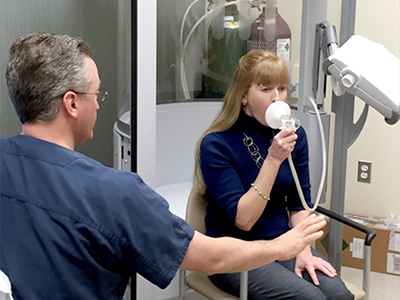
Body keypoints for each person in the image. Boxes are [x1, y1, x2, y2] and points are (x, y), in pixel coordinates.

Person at [0, 33, 327, 300]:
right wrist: (281, 246)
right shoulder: (114, 193)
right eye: (96, 94)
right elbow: (210, 257)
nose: (99, 104)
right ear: (72, 103)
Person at [194, 49, 354, 299]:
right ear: (244, 95)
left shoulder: (294, 138)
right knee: (309, 298)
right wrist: (273, 159)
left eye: (281, 88)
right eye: (266, 89)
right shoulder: (216, 145)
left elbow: (299, 204)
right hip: (235, 252)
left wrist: (303, 249)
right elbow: (244, 220)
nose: (277, 98)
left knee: (338, 295)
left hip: (284, 243)